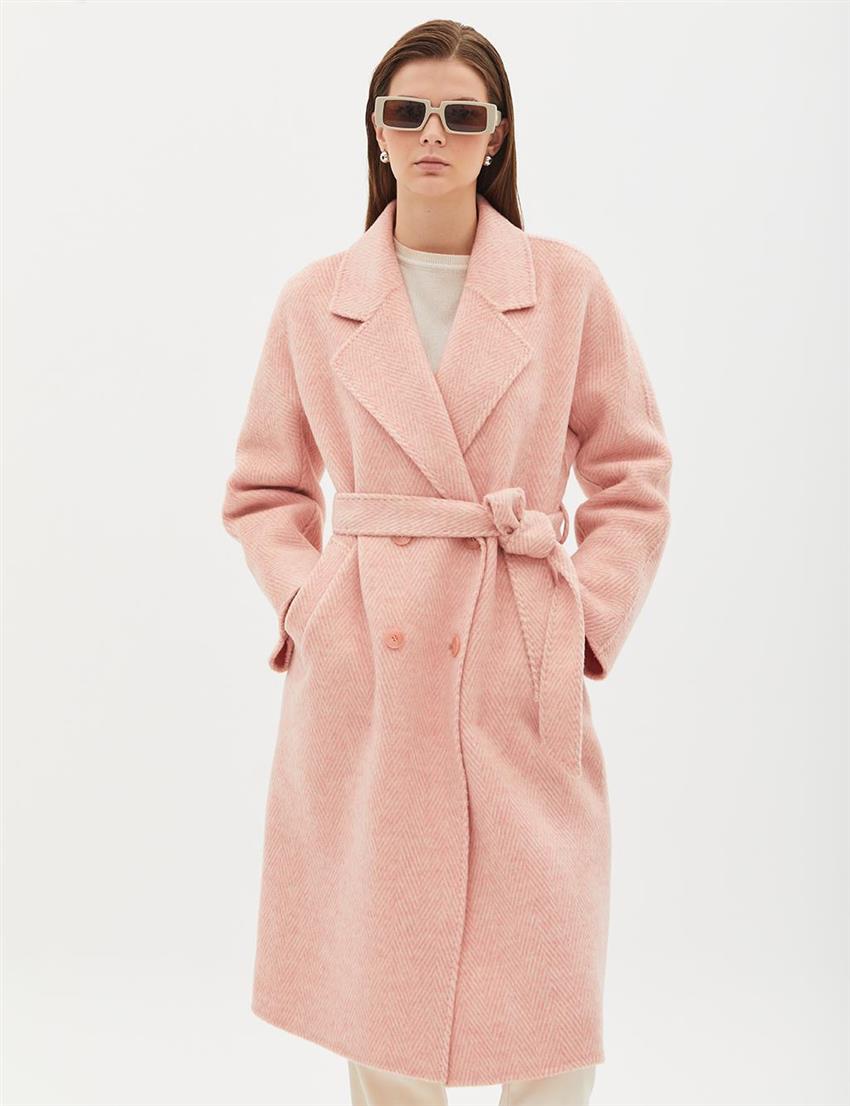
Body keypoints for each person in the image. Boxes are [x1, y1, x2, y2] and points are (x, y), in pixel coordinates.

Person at [221, 19, 672, 1106]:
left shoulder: (565, 288)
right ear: (376, 132)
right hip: (370, 667)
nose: (433, 132)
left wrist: (581, 617)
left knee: (548, 959)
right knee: (381, 964)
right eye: (408, 111)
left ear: (494, 137)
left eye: (460, 114)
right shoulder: (315, 300)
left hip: (516, 646)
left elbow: (632, 473)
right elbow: (265, 490)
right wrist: (316, 603)